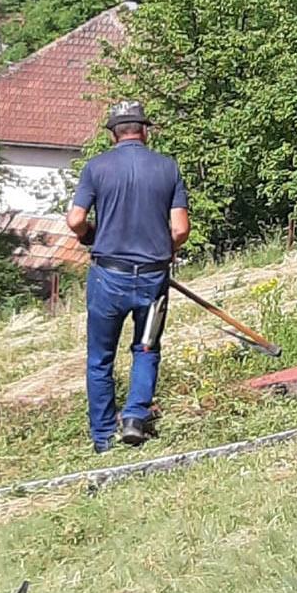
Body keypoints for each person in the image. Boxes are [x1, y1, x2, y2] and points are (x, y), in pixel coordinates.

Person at [65, 101, 191, 453]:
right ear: (144, 130)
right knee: (146, 348)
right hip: (152, 280)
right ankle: (135, 417)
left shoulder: (96, 168)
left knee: (100, 358)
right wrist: (164, 250)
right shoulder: (167, 168)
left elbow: (75, 220)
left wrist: (90, 236)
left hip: (108, 278)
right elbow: (180, 229)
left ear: (113, 133)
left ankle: (104, 438)